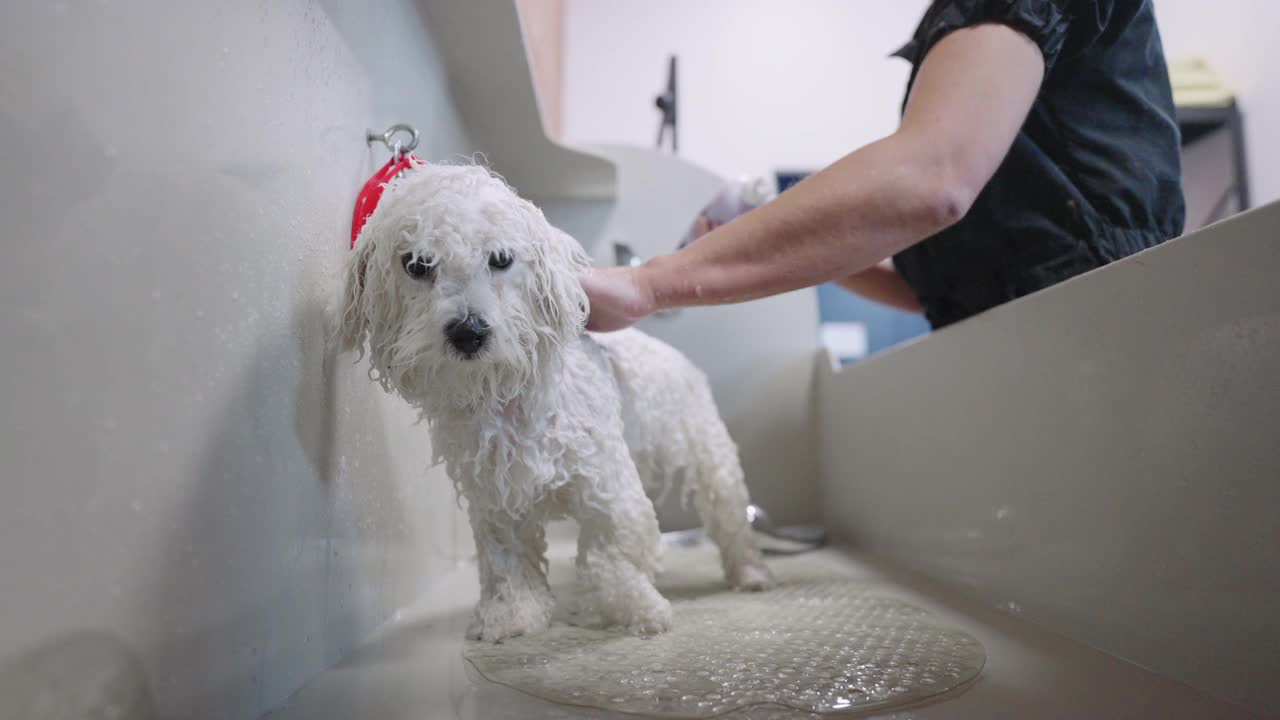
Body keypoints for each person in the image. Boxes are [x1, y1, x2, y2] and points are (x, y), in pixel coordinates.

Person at [581, 0, 1186, 332]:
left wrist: (646, 285)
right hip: (1041, 346)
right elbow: (933, 290)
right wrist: (787, 242)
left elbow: (931, 182)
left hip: (1102, 343)